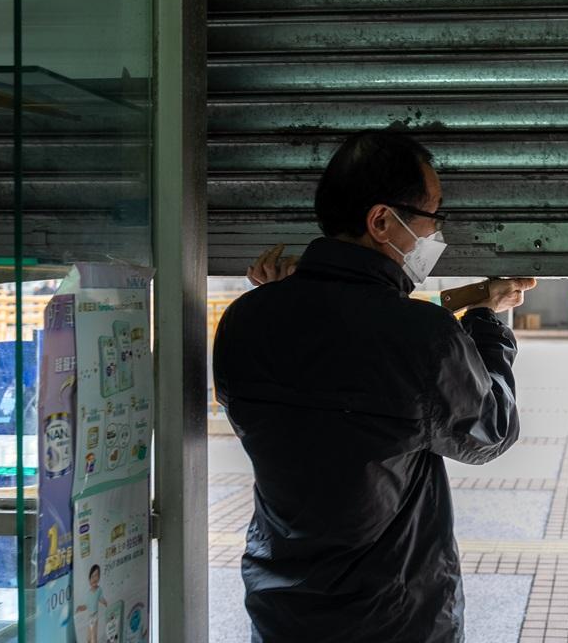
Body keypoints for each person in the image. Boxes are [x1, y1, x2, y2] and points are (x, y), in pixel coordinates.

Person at [213, 131, 536, 642]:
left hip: (282, 614)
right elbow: (490, 431)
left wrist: (283, 295)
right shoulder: (423, 337)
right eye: (432, 215)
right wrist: (486, 322)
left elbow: (321, 379)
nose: (436, 231)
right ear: (382, 221)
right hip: (395, 619)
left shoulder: (244, 320)